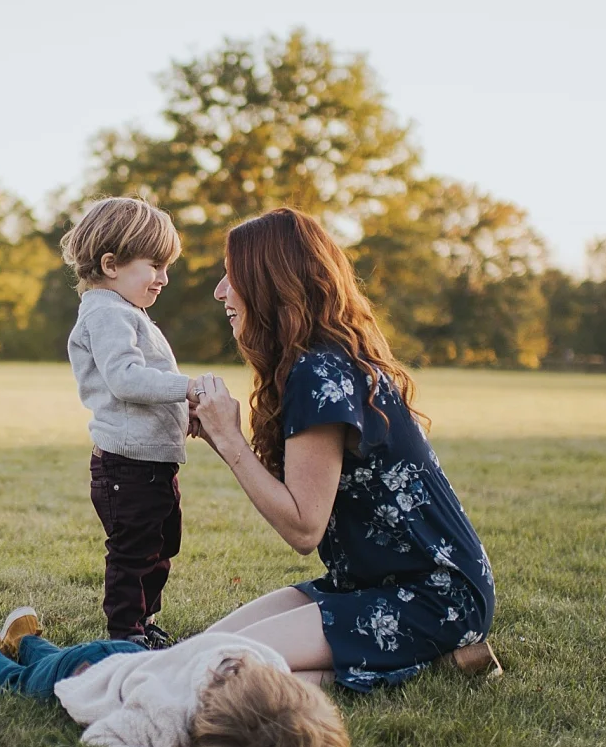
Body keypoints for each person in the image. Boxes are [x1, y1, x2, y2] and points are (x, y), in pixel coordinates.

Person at [186, 207, 502, 693]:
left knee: (218, 674)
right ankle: (423, 661)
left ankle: (422, 652)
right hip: (369, 585)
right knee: (197, 655)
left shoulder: (320, 373)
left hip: (433, 595)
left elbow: (303, 527)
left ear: (269, 283)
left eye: (232, 276)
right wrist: (216, 433)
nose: (220, 291)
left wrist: (229, 440)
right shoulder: (312, 364)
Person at [0, 606, 351, 747]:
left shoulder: (261, 660)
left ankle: (25, 639)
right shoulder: (163, 715)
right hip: (87, 673)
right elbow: (100, 739)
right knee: (24, 684)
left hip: (126, 656)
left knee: (54, 658)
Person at [59, 196, 199, 648]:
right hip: (127, 465)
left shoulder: (126, 311)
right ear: (111, 263)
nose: (163, 278)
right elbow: (125, 379)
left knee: (161, 546)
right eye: (154, 265)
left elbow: (146, 380)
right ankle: (126, 633)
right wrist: (187, 388)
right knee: (133, 551)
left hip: (152, 461)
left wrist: (184, 413)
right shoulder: (106, 313)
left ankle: (144, 622)